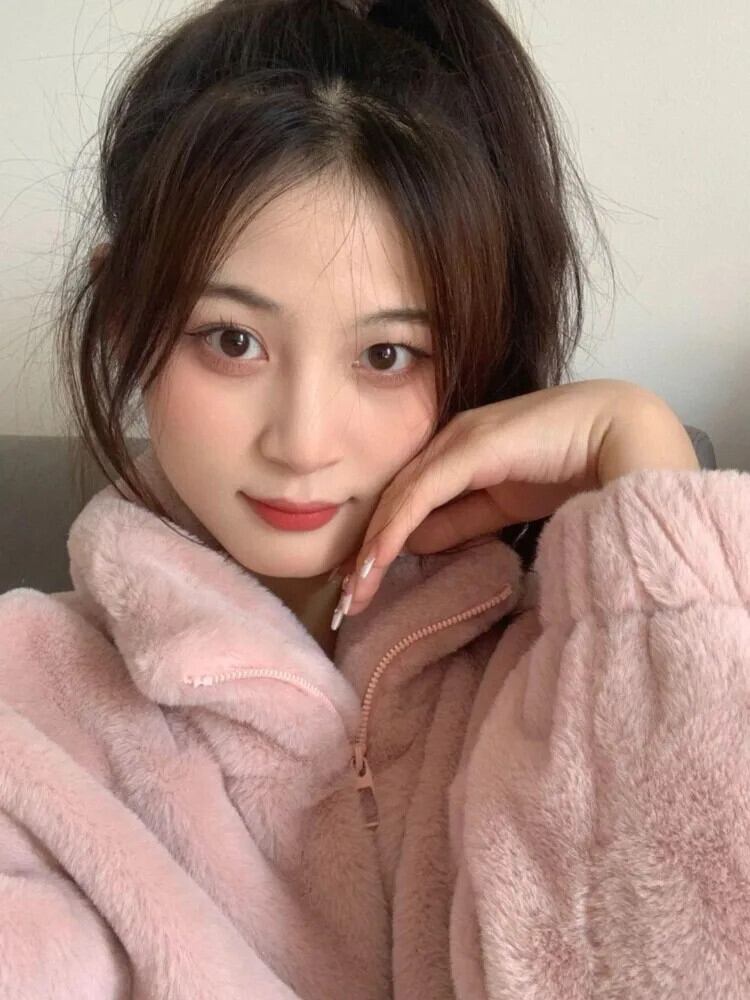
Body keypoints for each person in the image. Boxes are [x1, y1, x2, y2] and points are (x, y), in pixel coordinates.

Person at [0, 0, 747, 997]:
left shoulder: (576, 667)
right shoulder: (28, 712)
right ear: (125, 313)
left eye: (388, 354)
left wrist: (646, 464)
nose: (303, 442)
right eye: (232, 340)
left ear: (478, 352)